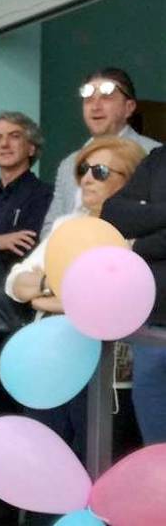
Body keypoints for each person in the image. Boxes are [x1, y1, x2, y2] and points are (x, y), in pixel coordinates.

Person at [6, 136, 146, 526]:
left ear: (129, 180)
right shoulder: (69, 223)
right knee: (42, 465)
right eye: (82, 169)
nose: (86, 179)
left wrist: (50, 289)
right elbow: (18, 281)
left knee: (95, 469)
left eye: (99, 171)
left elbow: (109, 302)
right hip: (50, 363)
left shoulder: (137, 233)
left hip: (104, 374)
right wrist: (53, 290)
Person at [0, 111, 52, 526]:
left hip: (28, 324)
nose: (4, 144)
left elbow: (39, 252)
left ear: (31, 147)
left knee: (31, 421)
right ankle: (2, 503)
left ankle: (36, 503)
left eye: (14, 137)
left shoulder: (45, 197)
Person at [41, 67, 160, 237]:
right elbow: (49, 228)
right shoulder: (69, 163)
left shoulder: (153, 156)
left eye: (106, 98)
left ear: (129, 107)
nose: (95, 107)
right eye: (88, 100)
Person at [102, 139, 166, 447]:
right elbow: (113, 213)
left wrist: (139, 243)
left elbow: (135, 228)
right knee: (155, 450)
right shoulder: (159, 158)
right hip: (153, 325)